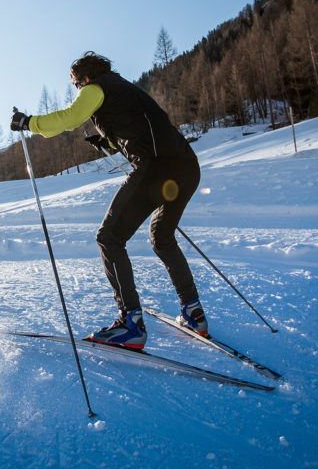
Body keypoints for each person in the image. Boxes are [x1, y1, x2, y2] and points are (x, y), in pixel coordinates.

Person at [11, 51, 207, 350]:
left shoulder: (95, 88)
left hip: (155, 167)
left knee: (109, 236)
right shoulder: (125, 88)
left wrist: (30, 123)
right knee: (162, 237)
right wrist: (110, 141)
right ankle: (193, 313)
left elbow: (68, 119)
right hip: (186, 166)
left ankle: (131, 325)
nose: (78, 90)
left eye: (76, 84)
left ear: (85, 77)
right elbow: (142, 125)